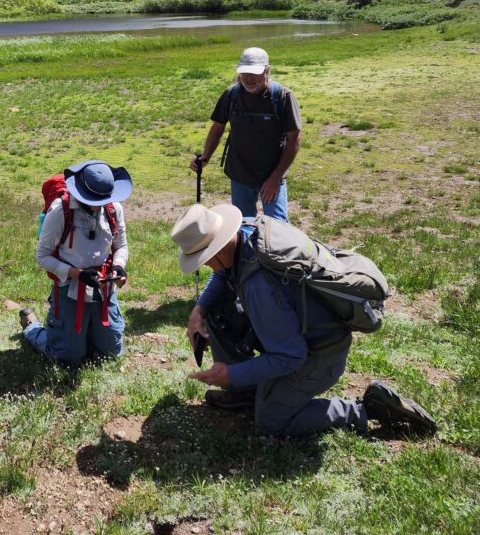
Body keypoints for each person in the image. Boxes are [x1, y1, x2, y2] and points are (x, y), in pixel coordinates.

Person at [171, 202, 437, 438]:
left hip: (319, 356)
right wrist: (200, 310)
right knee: (216, 314)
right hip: (302, 333)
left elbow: (289, 356)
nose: (205, 266)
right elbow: (221, 274)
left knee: (271, 421)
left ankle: (365, 409)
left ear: (220, 246)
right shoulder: (249, 231)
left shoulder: (258, 286)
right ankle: (248, 393)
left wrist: (229, 374)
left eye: (204, 259)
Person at [21, 161, 131, 366]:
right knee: (66, 358)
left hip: (103, 290)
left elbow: (121, 245)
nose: (100, 204)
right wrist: (76, 273)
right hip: (69, 289)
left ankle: (86, 334)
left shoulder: (113, 208)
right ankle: (32, 327)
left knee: (111, 354)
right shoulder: (60, 211)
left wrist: (119, 265)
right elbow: (42, 256)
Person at [189, 47, 301, 221]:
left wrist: (275, 178)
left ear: (267, 70)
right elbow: (218, 127)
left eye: (254, 73)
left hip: (271, 174)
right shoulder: (231, 94)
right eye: (244, 72)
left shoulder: (283, 97)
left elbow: (293, 140)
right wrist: (205, 158)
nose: (248, 78)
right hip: (240, 175)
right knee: (242, 225)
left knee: (278, 228)